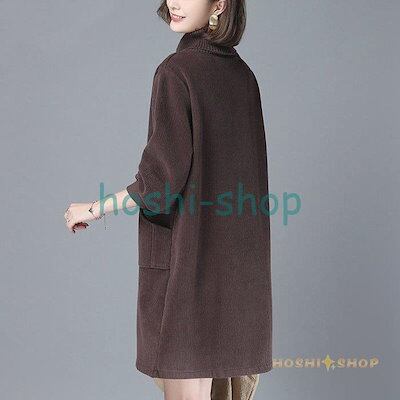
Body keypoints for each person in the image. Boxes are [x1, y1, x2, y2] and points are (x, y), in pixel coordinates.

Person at [64, 1, 272, 399]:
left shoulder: (177, 72)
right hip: (239, 280)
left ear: (219, 3)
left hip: (189, 273)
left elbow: (159, 185)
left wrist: (92, 208)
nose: (175, 1)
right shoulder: (244, 76)